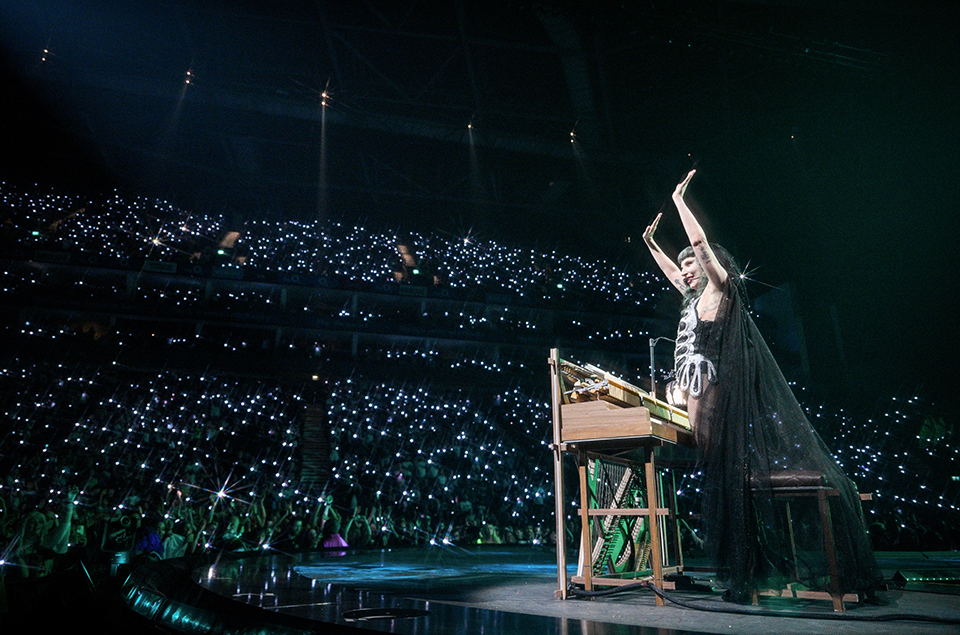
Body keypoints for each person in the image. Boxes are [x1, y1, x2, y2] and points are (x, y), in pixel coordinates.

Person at [643, 169, 883, 603]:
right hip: (690, 390)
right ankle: (744, 567)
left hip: (713, 392)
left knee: (725, 475)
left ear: (709, 265)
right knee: (714, 471)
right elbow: (673, 273)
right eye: (684, 268)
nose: (686, 272)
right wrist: (651, 246)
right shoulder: (692, 299)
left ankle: (750, 570)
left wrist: (679, 202)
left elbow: (700, 245)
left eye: (691, 265)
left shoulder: (720, 290)